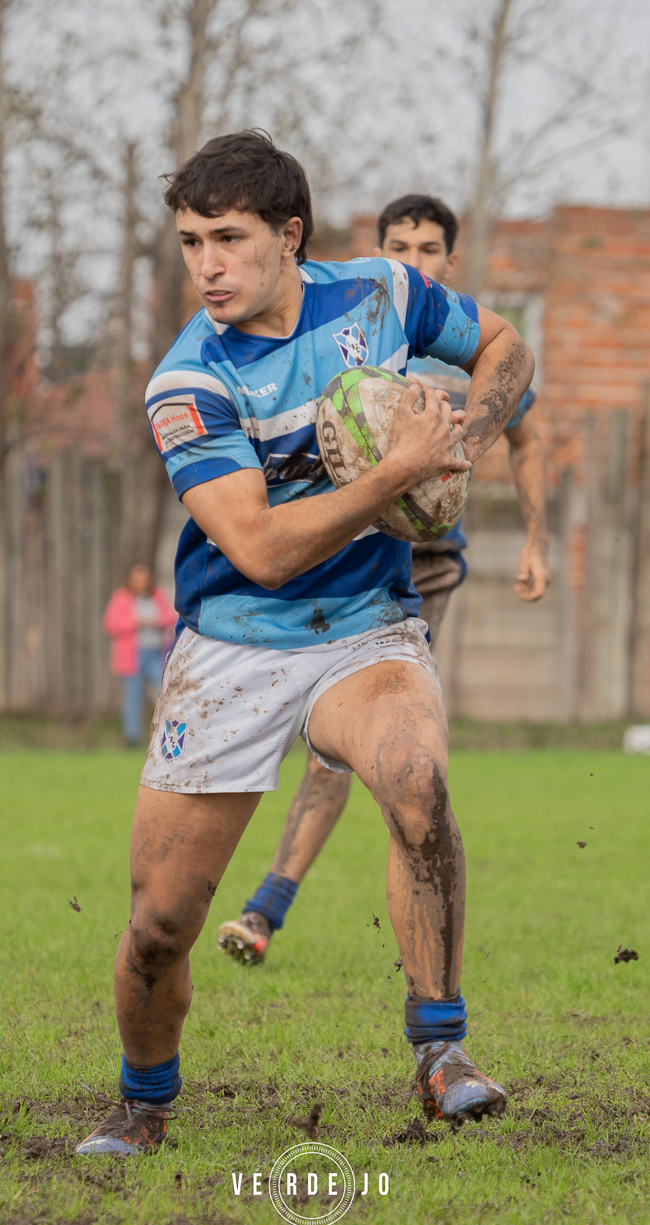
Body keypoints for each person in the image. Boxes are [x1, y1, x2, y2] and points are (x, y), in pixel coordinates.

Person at [74, 132, 534, 1157]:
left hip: (367, 624)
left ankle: (441, 1049)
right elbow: (262, 549)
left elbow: (508, 347)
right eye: (191, 242)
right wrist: (396, 471)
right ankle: (144, 1099)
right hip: (235, 643)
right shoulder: (188, 380)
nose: (207, 265)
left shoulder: (382, 292)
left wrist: (463, 441)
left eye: (228, 239)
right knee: (159, 925)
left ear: (290, 236)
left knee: (416, 781)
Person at [216, 192, 550, 968]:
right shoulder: (364, 337)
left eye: (429, 249)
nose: (412, 260)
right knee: (340, 745)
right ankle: (280, 904)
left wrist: (535, 537)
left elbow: (529, 437)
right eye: (399, 246)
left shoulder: (458, 349)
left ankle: (273, 907)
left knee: (376, 751)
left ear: (449, 261)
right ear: (379, 250)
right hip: (339, 553)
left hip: (425, 564)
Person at [102, 564, 176, 746]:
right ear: (130, 580)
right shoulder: (122, 598)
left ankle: (167, 736)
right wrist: (136, 621)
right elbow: (111, 624)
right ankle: (132, 737)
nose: (141, 583)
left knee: (165, 693)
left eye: (144, 579)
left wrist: (158, 621)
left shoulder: (157, 596)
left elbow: (171, 617)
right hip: (132, 657)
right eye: (137, 580)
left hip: (156, 654)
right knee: (133, 698)